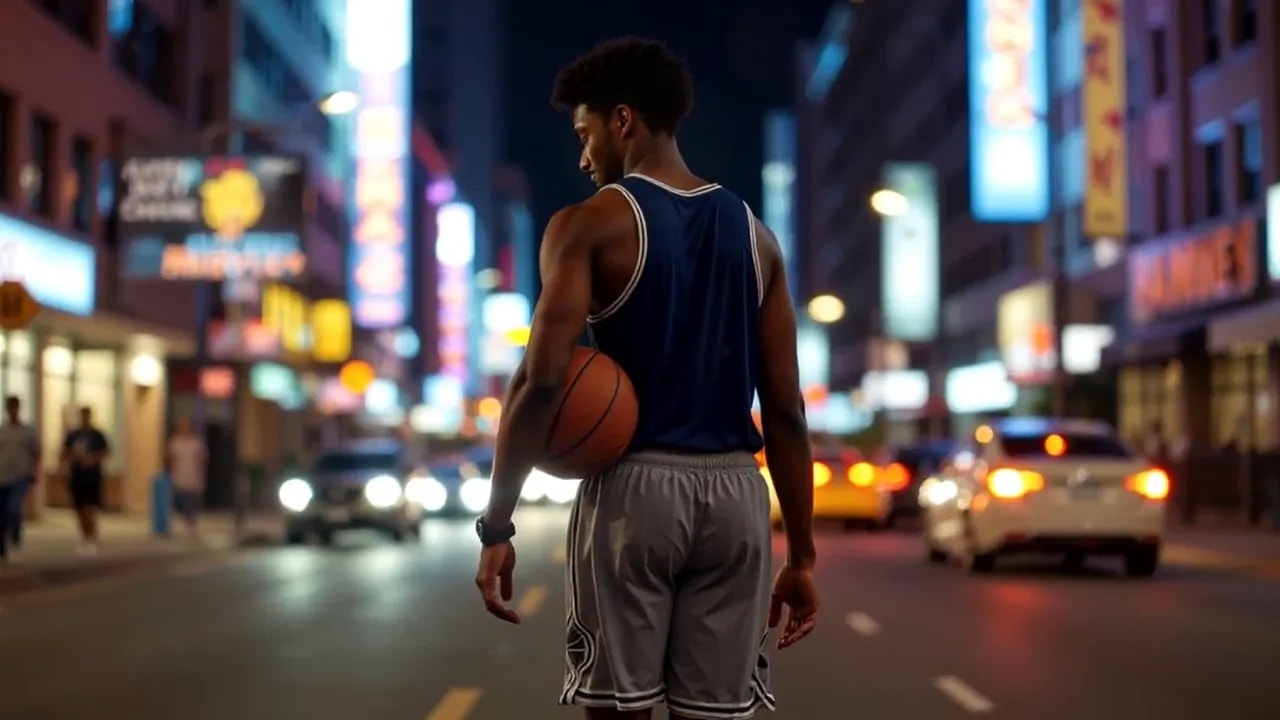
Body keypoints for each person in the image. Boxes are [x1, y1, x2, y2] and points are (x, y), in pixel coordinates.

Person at [474, 37, 818, 720]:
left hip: (634, 486)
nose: (582, 156)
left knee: (618, 709)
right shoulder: (759, 238)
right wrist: (802, 554)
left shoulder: (587, 225)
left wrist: (497, 526)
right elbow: (785, 409)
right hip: (736, 495)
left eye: (585, 133)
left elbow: (541, 383)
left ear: (622, 120)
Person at [62, 406, 110, 556]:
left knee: (91, 507)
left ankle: (91, 536)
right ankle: (84, 534)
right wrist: (65, 469)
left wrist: (92, 458)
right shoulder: (73, 434)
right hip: (77, 475)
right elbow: (65, 452)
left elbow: (106, 451)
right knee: (79, 508)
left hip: (93, 475)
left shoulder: (97, 435)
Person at [0, 396, 39, 564]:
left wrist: (33, 470)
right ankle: (2, 548)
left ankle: (15, 541)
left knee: (13, 509)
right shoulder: (2, 430)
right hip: (2, 477)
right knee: (1, 513)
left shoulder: (27, 431)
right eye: (9, 407)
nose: (12, 410)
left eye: (14, 407)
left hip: (20, 476)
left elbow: (36, 451)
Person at [167, 416, 207, 538]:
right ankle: (185, 518)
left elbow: (201, 459)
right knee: (179, 500)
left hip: (192, 476)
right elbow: (171, 459)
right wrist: (171, 474)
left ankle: (191, 523)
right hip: (179, 476)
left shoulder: (195, 442)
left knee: (191, 500)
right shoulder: (174, 442)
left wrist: (201, 477)